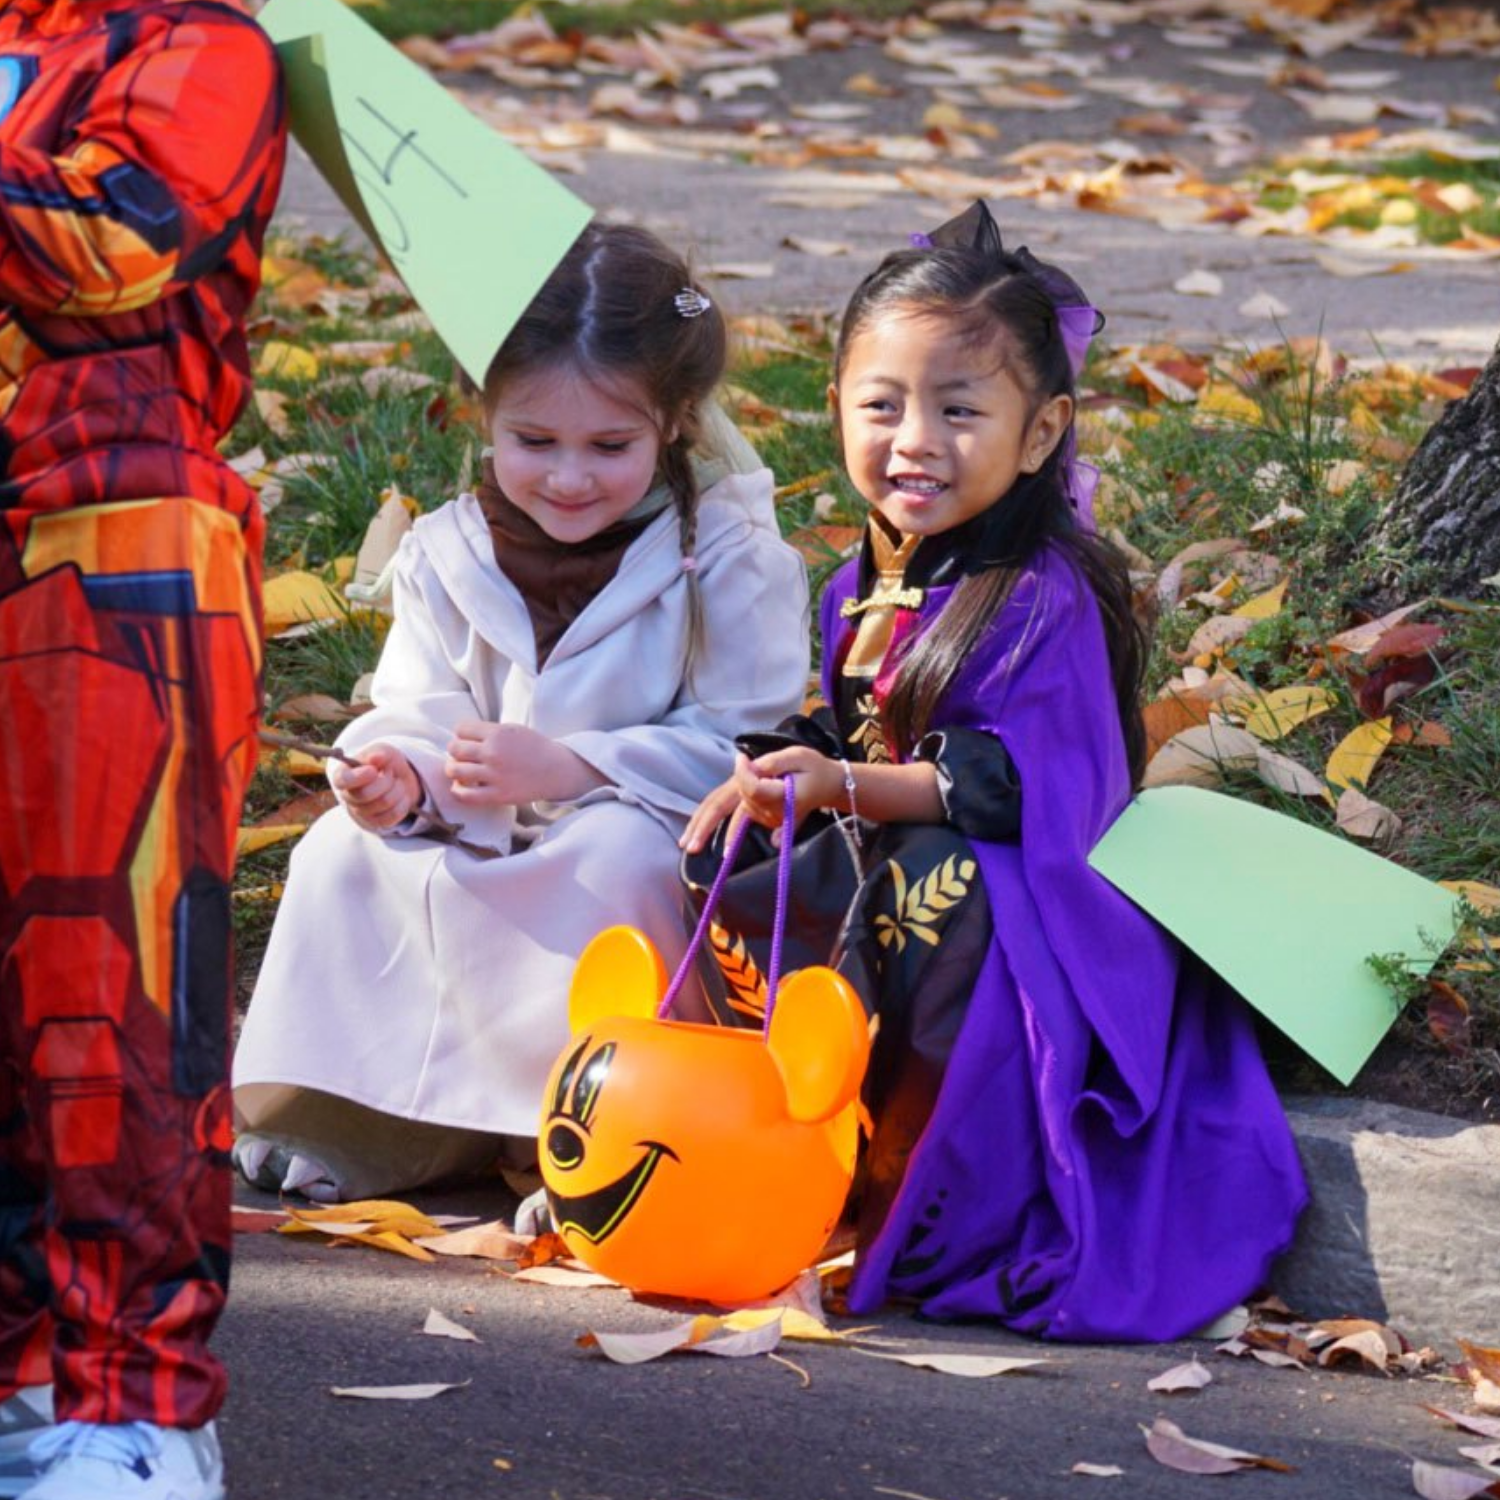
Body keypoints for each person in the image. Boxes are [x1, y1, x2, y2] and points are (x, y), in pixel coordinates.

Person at [680, 202, 1308, 1342]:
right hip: (907, 841)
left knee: (940, 881)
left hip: (1037, 903)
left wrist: (844, 788)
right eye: (881, 405)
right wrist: (794, 768)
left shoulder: (1043, 590)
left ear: (1039, 431)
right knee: (736, 845)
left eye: (959, 410)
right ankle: (777, 1135)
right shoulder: (857, 582)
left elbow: (1007, 789)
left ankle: (935, 1198)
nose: (914, 439)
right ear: (835, 408)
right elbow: (867, 736)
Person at [232, 221, 810, 1205]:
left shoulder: (727, 556)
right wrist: (402, 778)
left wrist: (573, 767)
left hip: (635, 832)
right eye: (533, 442)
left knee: (613, 859)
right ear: (484, 416)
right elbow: (415, 704)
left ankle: (602, 1127)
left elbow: (748, 740)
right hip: (478, 835)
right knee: (340, 851)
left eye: (609, 445)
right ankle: (368, 1118)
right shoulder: (448, 551)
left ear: (672, 422)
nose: (569, 478)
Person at [0, 1, 286, 1496]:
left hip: (118, 563)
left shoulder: (192, 46)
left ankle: (128, 1408)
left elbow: (115, 237)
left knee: (110, 1000)